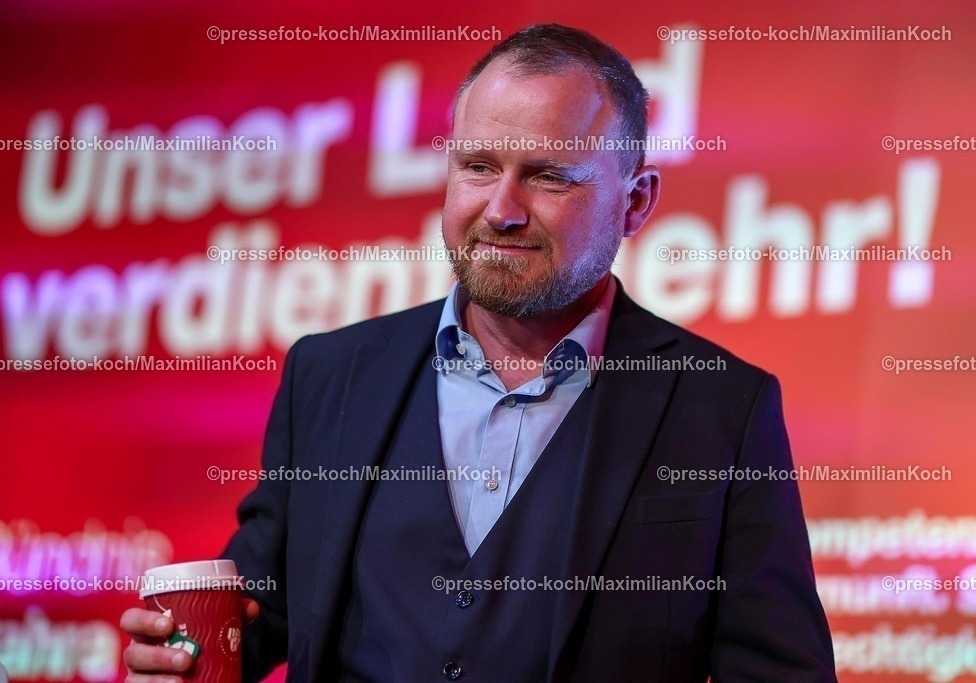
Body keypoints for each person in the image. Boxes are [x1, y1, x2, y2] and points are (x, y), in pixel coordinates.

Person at [122, 24, 836, 682]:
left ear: (636, 203)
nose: (502, 208)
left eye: (549, 175)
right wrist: (185, 653)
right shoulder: (329, 376)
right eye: (477, 165)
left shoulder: (720, 406)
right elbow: (264, 612)